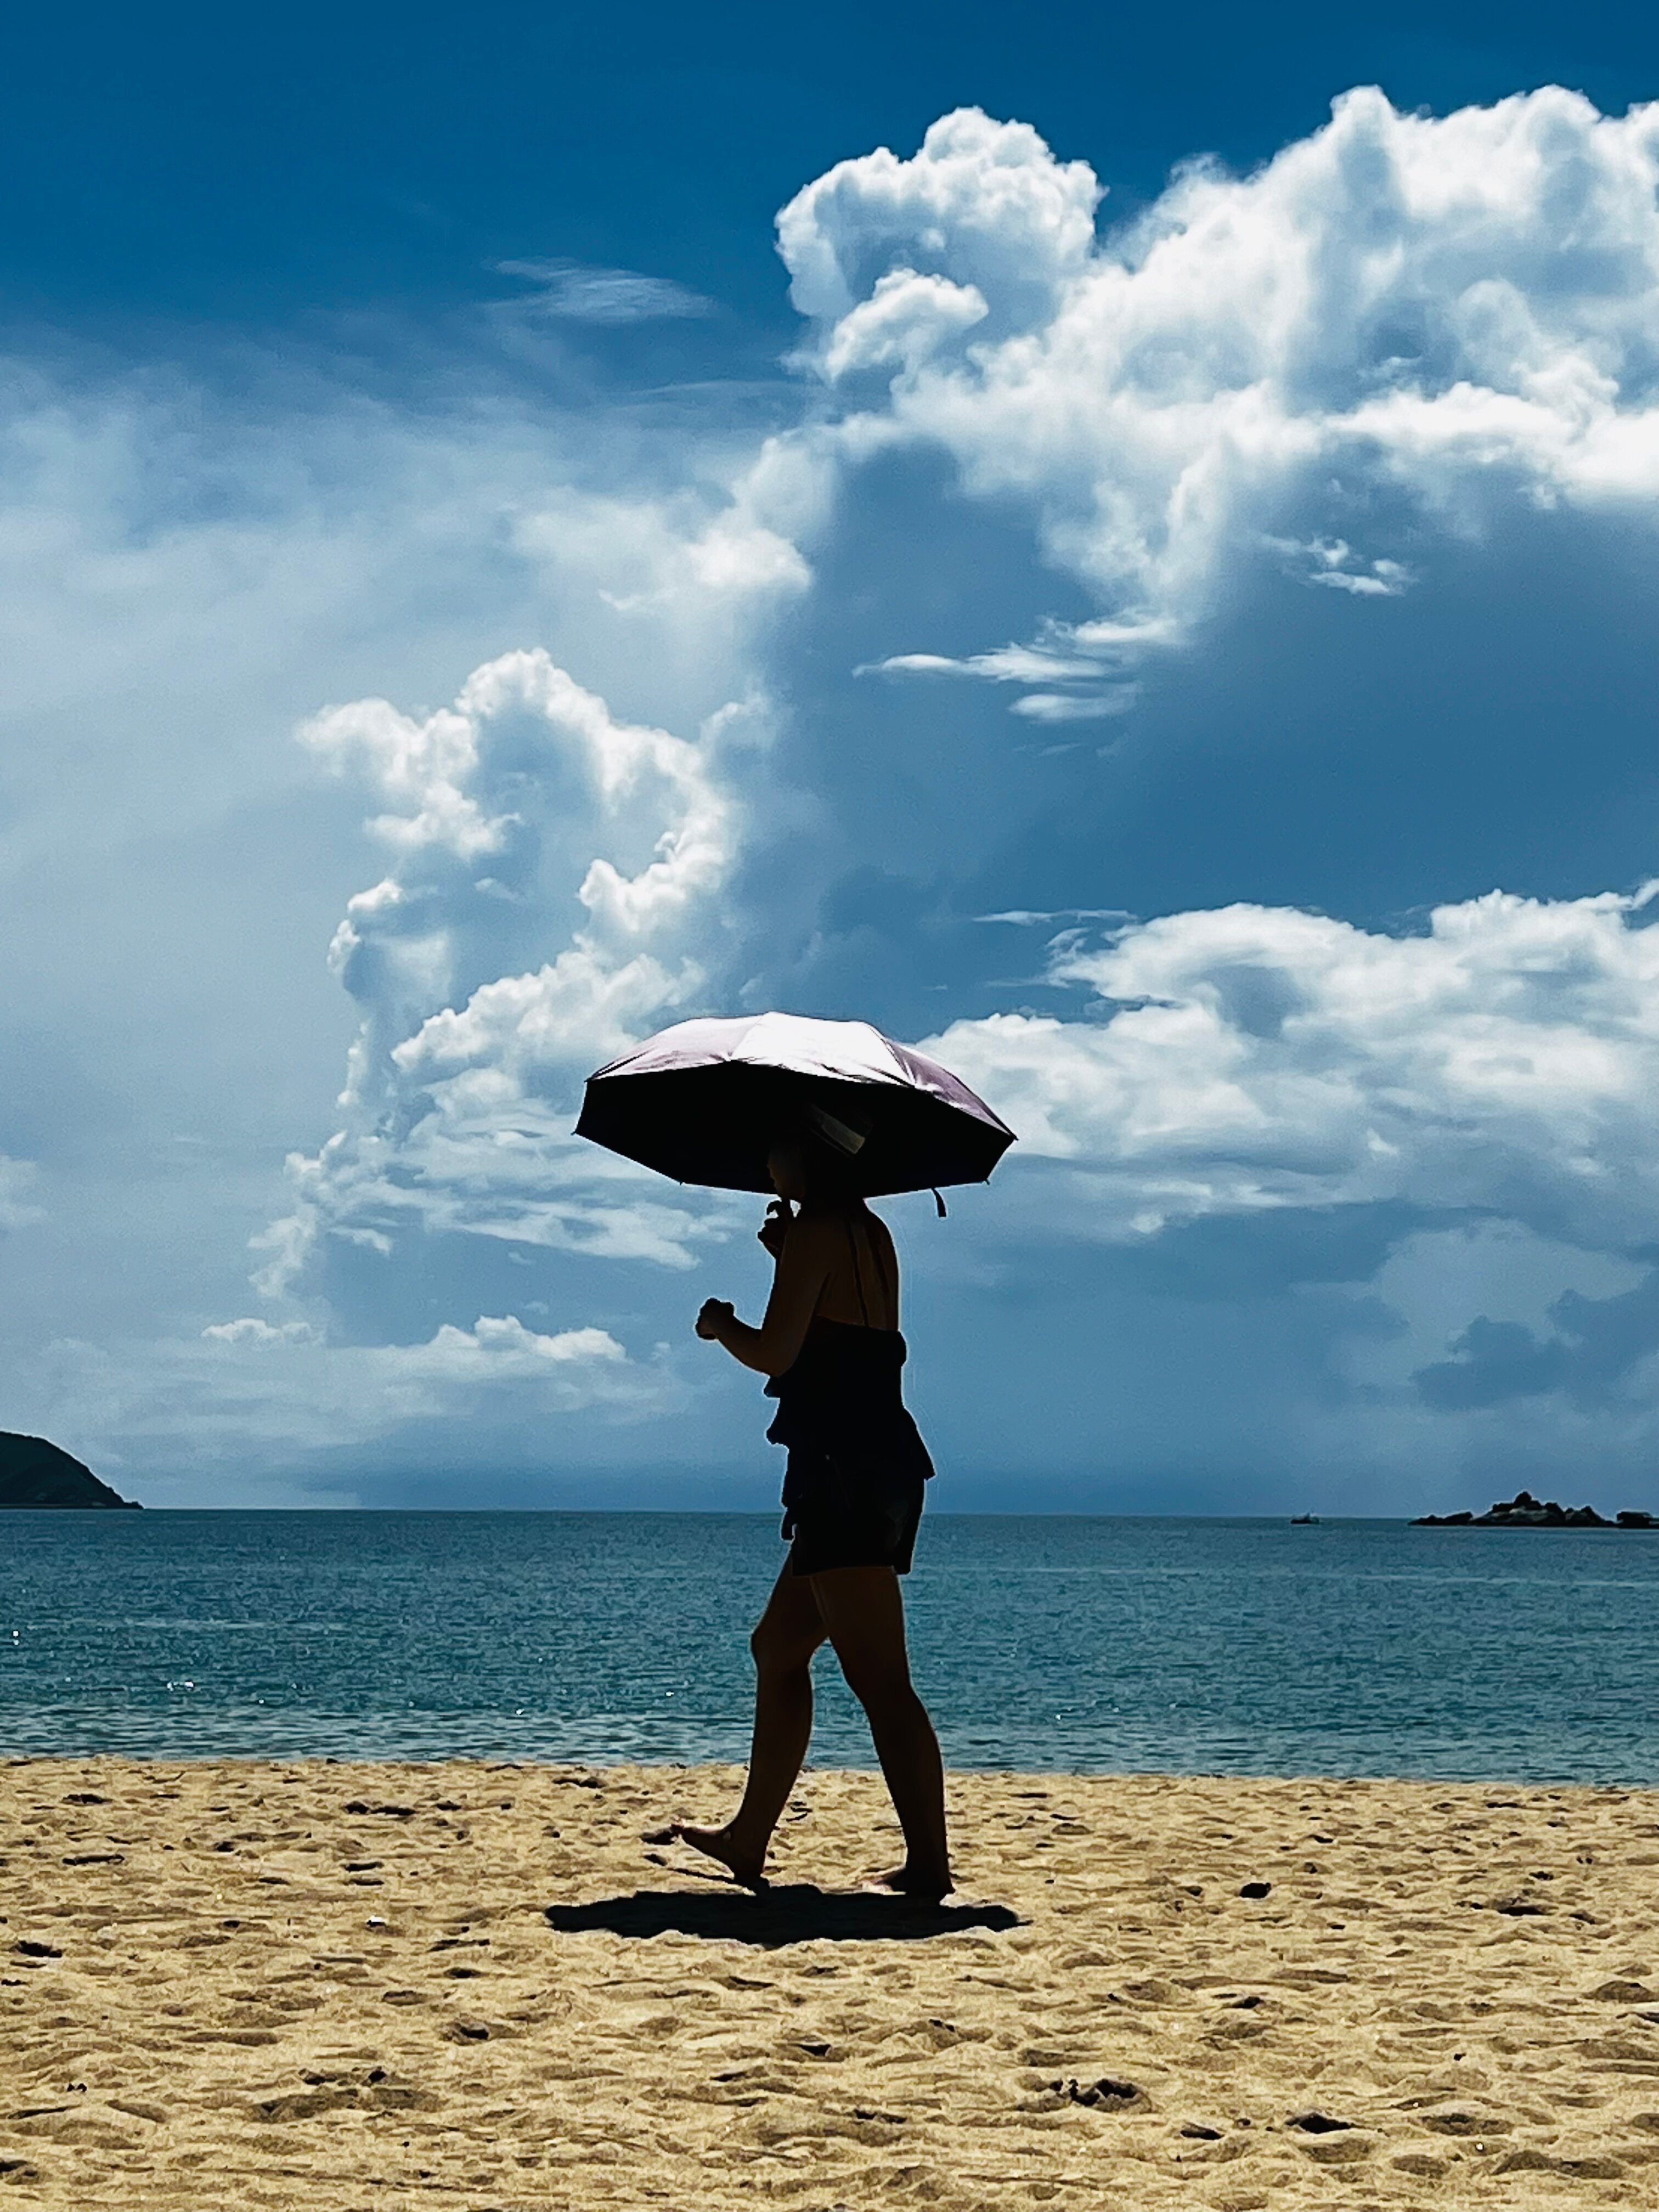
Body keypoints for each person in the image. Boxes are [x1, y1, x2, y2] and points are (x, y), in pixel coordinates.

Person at [672, 1110, 951, 1899]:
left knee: (882, 1681)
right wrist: (783, 1256)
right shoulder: (868, 1232)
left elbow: (776, 1353)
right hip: (882, 1466)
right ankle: (748, 1838)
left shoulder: (818, 1231)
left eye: (776, 1149)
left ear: (807, 1157)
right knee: (777, 1647)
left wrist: (722, 1325)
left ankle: (930, 1865)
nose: (767, 1163)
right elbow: (847, 1334)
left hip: (843, 1473)